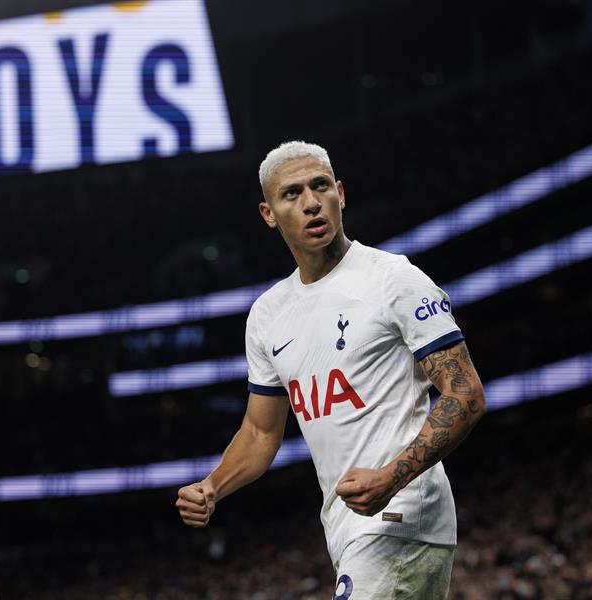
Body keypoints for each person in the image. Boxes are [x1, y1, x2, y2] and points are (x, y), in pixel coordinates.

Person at [176, 141, 486, 598]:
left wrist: (392, 476)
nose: (310, 202)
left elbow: (466, 394)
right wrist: (212, 487)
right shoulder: (267, 314)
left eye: (320, 186)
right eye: (292, 193)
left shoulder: (392, 278)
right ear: (268, 213)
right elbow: (261, 434)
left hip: (403, 515)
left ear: (340, 193)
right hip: (346, 529)